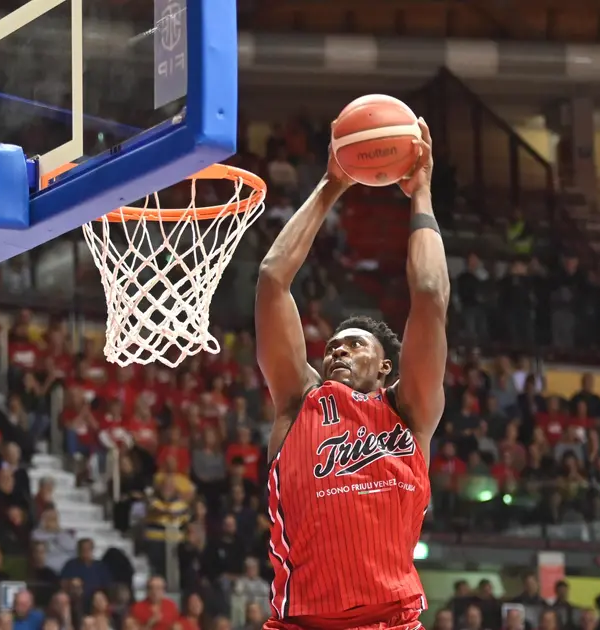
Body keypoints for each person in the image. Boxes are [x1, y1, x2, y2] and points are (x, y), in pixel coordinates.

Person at [255, 120, 448, 630]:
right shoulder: (299, 404)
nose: (336, 350)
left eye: (355, 344)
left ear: (386, 366)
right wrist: (331, 184)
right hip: (300, 622)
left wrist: (422, 191)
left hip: (393, 622)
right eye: (331, 345)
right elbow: (273, 281)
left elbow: (429, 294)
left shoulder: (409, 413)